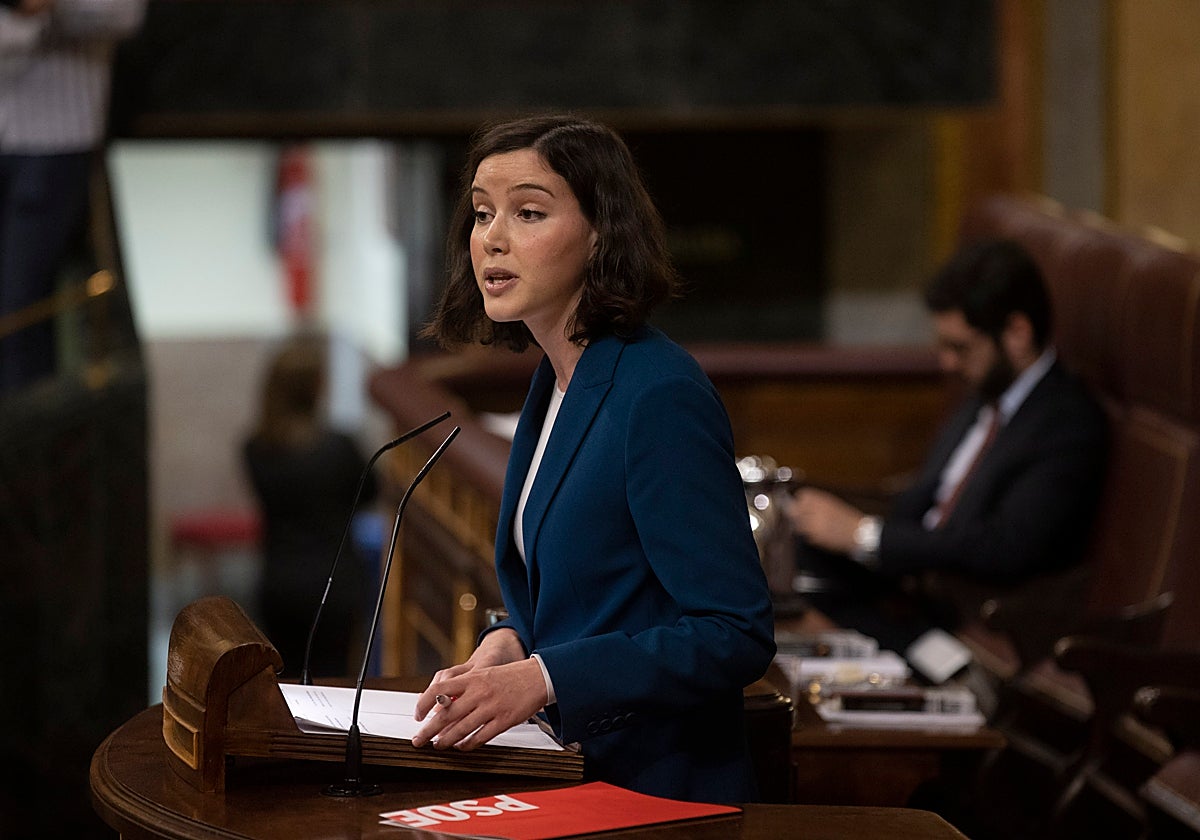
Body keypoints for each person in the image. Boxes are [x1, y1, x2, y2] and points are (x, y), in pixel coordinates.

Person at [410, 114, 776, 804]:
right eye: (483, 213)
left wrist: (545, 679)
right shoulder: (556, 377)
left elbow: (734, 633)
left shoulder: (658, 393)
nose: (492, 237)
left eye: (528, 212)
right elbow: (595, 595)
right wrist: (511, 639)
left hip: (658, 790)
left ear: (601, 231)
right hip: (574, 774)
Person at [787, 239, 1108, 654]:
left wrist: (866, 536)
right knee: (784, 577)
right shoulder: (987, 394)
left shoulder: (1066, 424)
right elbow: (927, 498)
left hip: (974, 624)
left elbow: (1006, 546)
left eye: (960, 348)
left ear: (1017, 333)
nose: (947, 364)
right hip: (914, 592)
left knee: (799, 629)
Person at [0, 0, 145, 393]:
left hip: (57, 141)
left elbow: (124, 13)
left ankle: (23, 444)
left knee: (20, 315)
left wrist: (46, 6)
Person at [243, 335, 377, 679]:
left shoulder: (255, 448)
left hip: (278, 581)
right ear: (318, 387)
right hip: (335, 584)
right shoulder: (340, 447)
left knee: (283, 685)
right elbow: (370, 494)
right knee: (333, 686)